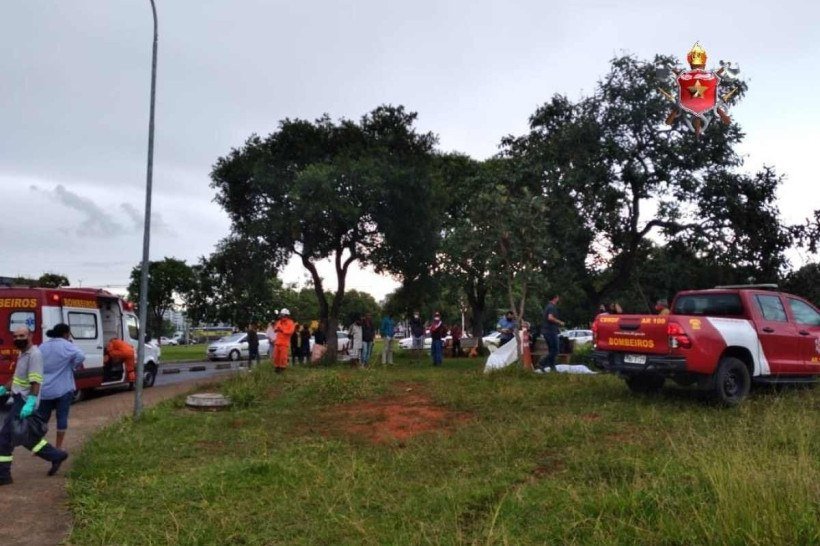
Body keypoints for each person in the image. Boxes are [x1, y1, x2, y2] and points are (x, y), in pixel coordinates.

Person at [0, 327, 69, 485]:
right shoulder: (23, 353)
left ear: (30, 336)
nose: (18, 338)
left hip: (24, 402)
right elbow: (17, 377)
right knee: (26, 437)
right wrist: (4, 388)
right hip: (18, 399)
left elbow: (35, 381)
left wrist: (30, 402)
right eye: (16, 336)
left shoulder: (35, 355)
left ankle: (3, 475)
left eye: (22, 335)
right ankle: (56, 455)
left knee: (4, 438)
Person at [37, 323, 85, 450]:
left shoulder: (43, 346)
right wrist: (73, 365)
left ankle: (38, 446)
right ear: (65, 334)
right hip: (64, 389)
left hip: (45, 389)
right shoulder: (67, 345)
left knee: (42, 419)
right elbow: (81, 356)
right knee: (61, 417)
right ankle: (58, 447)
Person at [537, 294, 565, 373]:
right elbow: (550, 317)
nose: (558, 299)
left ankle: (552, 368)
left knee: (551, 350)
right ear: (555, 298)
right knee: (555, 350)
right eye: (558, 297)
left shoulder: (547, 306)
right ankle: (541, 363)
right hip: (550, 331)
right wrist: (559, 322)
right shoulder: (551, 307)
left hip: (547, 331)